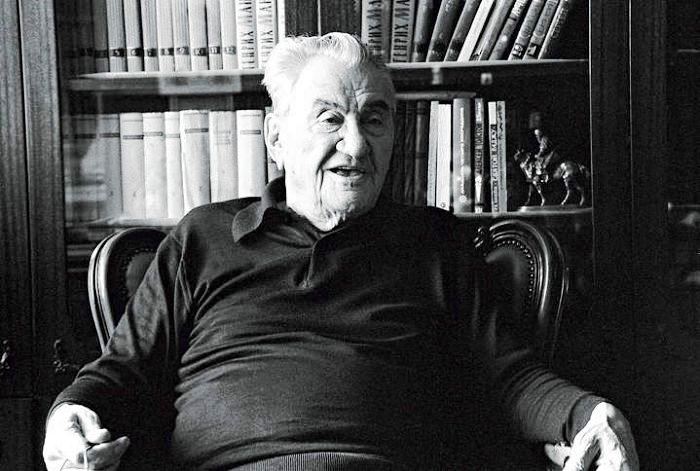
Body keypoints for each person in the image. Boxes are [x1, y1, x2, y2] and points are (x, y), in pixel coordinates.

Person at [43, 33, 638, 471]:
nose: (356, 144)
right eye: (330, 119)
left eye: (374, 119)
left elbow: (510, 378)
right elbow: (120, 374)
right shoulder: (204, 238)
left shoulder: (434, 243)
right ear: (277, 138)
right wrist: (68, 418)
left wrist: (588, 413)